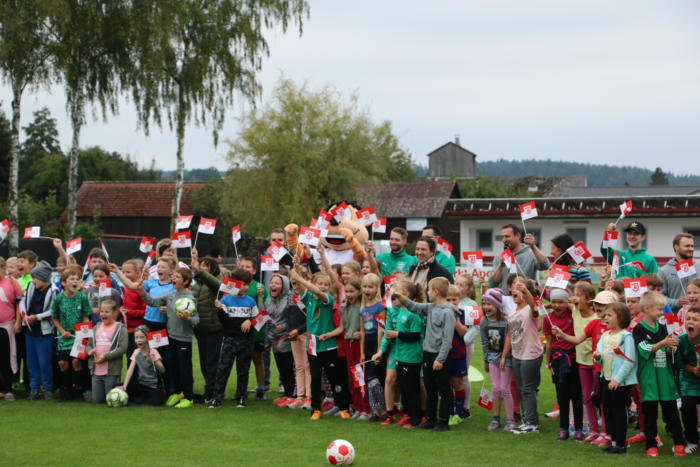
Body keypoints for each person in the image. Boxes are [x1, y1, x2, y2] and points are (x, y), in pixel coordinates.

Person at [394, 276, 456, 432]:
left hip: (440, 357)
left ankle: (443, 422)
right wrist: (401, 297)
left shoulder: (448, 312)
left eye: (429, 289)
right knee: (430, 388)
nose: (427, 292)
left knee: (444, 390)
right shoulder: (431, 307)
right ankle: (430, 419)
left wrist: (440, 359)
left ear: (436, 291)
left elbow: (447, 339)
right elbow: (415, 307)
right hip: (428, 354)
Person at [290, 267, 350, 420]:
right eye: (320, 284)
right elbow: (302, 286)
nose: (323, 287)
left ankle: (343, 407)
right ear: (314, 283)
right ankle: (316, 409)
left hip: (329, 345)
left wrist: (301, 278)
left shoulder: (327, 299)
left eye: (325, 284)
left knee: (334, 377)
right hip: (312, 345)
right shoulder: (308, 298)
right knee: (315, 377)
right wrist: (297, 268)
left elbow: (316, 291)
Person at [632, 291, 686, 457]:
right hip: (649, 379)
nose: (662, 313)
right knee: (650, 415)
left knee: (672, 414)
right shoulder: (639, 329)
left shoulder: (664, 328)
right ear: (647, 309)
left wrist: (671, 348)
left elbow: (671, 354)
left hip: (665, 378)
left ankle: (679, 444)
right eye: (659, 309)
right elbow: (644, 349)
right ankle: (651, 445)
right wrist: (663, 342)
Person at [140, 267, 199, 408]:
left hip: (184, 339)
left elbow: (197, 320)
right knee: (173, 366)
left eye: (177, 277)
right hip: (171, 337)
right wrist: (142, 291)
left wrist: (188, 318)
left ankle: (189, 398)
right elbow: (152, 302)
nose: (174, 279)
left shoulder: (190, 298)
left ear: (185, 282)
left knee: (185, 368)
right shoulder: (170, 296)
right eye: (174, 276)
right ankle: (177, 393)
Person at [374, 279, 425, 427]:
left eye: (395, 292)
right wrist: (381, 352)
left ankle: (419, 415)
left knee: (414, 386)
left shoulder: (413, 312)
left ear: (406, 295)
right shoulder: (393, 310)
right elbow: (387, 333)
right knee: (398, 383)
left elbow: (415, 335)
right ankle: (399, 415)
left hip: (411, 354)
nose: (392, 295)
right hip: (398, 353)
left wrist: (397, 334)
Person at [593, 302, 637, 455]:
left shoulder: (626, 337)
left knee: (619, 411)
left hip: (621, 382)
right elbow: (600, 354)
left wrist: (617, 379)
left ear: (621, 318)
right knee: (607, 410)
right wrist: (597, 357)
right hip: (606, 379)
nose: (605, 318)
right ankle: (613, 442)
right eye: (605, 315)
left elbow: (630, 360)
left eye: (609, 315)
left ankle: (621, 445)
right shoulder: (605, 335)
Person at [209, 268, 256, 409]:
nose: (245, 287)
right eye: (243, 284)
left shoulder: (251, 301)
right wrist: (220, 309)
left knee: (243, 370)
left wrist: (250, 321)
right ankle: (216, 398)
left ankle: (241, 398)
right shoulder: (225, 300)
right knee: (223, 369)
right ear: (235, 284)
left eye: (247, 284)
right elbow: (224, 322)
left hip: (246, 341)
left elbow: (259, 320)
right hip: (229, 340)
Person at [543, 288, 584, 441]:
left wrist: (570, 304)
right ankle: (564, 428)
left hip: (574, 359)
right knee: (562, 396)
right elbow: (549, 342)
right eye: (553, 302)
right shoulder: (548, 318)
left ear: (567, 302)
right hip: (558, 360)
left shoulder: (573, 314)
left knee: (576, 395)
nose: (557, 305)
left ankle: (578, 428)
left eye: (561, 302)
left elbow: (578, 310)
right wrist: (548, 363)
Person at [507, 278, 543, 434]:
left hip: (531, 354)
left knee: (528, 389)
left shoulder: (530, 309)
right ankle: (526, 419)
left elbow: (535, 307)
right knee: (522, 388)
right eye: (514, 288)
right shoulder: (512, 312)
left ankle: (532, 424)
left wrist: (527, 291)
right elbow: (510, 335)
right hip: (517, 354)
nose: (515, 290)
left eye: (519, 288)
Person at [189, 249, 224, 405]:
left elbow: (216, 285)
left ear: (213, 268)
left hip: (214, 328)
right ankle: (210, 391)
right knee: (203, 362)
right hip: (200, 329)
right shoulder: (196, 285)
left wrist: (199, 268)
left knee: (212, 363)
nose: (202, 267)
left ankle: (212, 393)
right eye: (201, 264)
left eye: (206, 265)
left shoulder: (217, 281)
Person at [51, 269, 92, 401]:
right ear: (63, 283)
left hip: (78, 336)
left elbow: (86, 316)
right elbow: (54, 317)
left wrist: (83, 334)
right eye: (72, 279)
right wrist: (62, 331)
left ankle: (78, 391)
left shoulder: (82, 297)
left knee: (76, 362)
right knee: (63, 363)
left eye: (77, 279)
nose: (75, 281)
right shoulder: (58, 299)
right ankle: (66, 391)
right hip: (63, 336)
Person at [19, 261, 58, 400]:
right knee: (31, 362)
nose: (33, 280)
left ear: (43, 278)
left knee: (44, 362)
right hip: (30, 331)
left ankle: (48, 389)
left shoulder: (54, 290)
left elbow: (53, 311)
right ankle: (34, 389)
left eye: (35, 278)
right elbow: (22, 300)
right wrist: (24, 313)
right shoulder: (30, 286)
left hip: (44, 332)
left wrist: (37, 317)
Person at [480, 287, 516, 431]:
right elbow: (484, 342)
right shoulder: (484, 322)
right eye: (484, 304)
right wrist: (486, 360)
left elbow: (510, 340)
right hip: (492, 359)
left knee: (504, 388)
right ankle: (496, 419)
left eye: (489, 304)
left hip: (506, 359)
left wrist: (504, 357)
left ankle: (510, 419)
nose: (486, 307)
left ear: (497, 304)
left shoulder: (507, 321)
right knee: (495, 388)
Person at [266, 273, 303, 406]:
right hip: (274, 340)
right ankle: (287, 395)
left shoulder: (291, 298)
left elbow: (300, 316)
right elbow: (266, 319)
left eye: (277, 283)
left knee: (289, 368)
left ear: (284, 285)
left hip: (288, 338)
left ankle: (293, 395)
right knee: (282, 369)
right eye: (272, 282)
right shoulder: (268, 300)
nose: (273, 285)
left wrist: (285, 327)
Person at [240, 256, 269, 400]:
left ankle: (261, 388)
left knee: (257, 359)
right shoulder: (234, 285)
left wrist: (260, 296)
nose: (244, 269)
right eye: (242, 266)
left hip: (255, 330)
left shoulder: (259, 287)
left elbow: (263, 312)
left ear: (254, 271)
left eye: (248, 267)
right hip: (239, 331)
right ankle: (241, 390)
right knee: (241, 361)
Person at [488, 224, 550, 293]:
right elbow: (492, 283)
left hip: (526, 299)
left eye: (507, 236)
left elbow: (546, 266)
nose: (504, 240)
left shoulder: (530, 253)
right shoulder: (499, 256)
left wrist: (533, 247)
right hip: (506, 299)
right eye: (503, 237)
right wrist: (500, 265)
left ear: (518, 236)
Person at [358, 273, 386, 422]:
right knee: (370, 379)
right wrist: (362, 352)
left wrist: (378, 350)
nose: (367, 289)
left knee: (377, 378)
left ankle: (385, 408)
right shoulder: (362, 309)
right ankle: (375, 410)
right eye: (365, 286)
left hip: (377, 342)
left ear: (377, 289)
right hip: (367, 343)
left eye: (370, 287)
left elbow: (381, 328)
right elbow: (362, 331)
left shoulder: (380, 307)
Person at [86, 299, 127, 403]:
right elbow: (89, 345)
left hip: (111, 371)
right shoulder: (96, 327)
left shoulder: (120, 328)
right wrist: (90, 351)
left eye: (107, 312)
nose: (104, 314)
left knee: (111, 399)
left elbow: (122, 348)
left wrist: (105, 357)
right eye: (102, 311)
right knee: (97, 401)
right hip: (96, 370)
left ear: (114, 313)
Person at [341, 278, 370, 420]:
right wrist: (327, 335)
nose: (348, 294)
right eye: (346, 291)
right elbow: (342, 327)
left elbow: (367, 329)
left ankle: (365, 408)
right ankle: (357, 407)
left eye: (351, 291)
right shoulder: (345, 307)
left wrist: (360, 334)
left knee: (360, 378)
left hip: (359, 346)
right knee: (352, 378)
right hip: (349, 345)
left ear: (359, 292)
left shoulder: (363, 309)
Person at [107, 259, 146, 363]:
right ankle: (131, 379)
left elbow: (145, 311)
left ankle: (139, 379)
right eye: (123, 272)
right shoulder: (126, 288)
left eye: (128, 272)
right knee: (129, 358)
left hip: (138, 331)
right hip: (127, 329)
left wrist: (130, 312)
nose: (124, 274)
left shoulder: (141, 289)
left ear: (138, 273)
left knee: (138, 359)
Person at [445, 284, 472, 426]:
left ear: (459, 300)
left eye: (454, 300)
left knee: (458, 382)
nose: (451, 303)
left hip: (458, 353)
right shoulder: (440, 312)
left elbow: (463, 332)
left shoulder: (462, 312)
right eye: (448, 300)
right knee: (447, 383)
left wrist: (454, 318)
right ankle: (448, 410)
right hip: (444, 354)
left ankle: (459, 413)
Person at [119, 325, 166, 406]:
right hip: (141, 384)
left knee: (157, 404)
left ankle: (151, 396)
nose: (139, 340)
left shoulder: (153, 351)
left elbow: (163, 370)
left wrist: (154, 361)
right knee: (117, 386)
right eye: (136, 338)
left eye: (141, 337)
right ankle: (144, 397)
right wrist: (125, 386)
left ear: (147, 338)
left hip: (154, 385)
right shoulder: (136, 352)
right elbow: (130, 370)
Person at [676, 307, 700, 454]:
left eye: (695, 319)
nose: (690, 321)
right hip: (688, 381)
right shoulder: (681, 341)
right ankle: (692, 440)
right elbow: (679, 363)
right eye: (688, 319)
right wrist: (692, 369)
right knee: (687, 406)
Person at [0, 257, 23, 401]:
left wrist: (18, 322)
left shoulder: (12, 283)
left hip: (7, 325)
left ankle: (8, 389)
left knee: (7, 358)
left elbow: (19, 303)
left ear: (3, 268)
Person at [659, 233, 696, 312]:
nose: (691, 249)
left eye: (692, 246)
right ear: (676, 247)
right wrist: (676, 302)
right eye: (687, 246)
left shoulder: (699, 267)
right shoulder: (664, 271)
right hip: (674, 318)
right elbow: (658, 296)